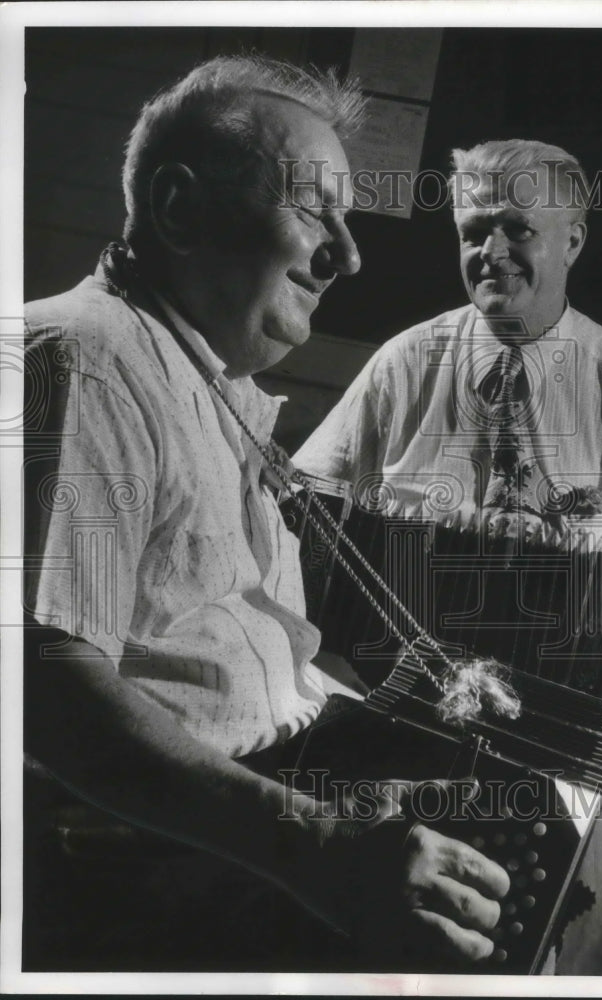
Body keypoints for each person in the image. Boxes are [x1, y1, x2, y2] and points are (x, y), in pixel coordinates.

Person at [22, 56, 511, 973]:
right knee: (480, 921)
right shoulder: (84, 357)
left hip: (275, 776)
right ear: (178, 207)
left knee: (563, 795)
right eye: (316, 210)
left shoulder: (208, 380)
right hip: (160, 854)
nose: (348, 255)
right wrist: (317, 848)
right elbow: (44, 684)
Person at [293, 139, 602, 975]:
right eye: (473, 230)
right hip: (397, 738)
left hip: (571, 754)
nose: (491, 250)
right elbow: (303, 518)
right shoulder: (401, 367)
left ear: (573, 241)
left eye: (518, 228)